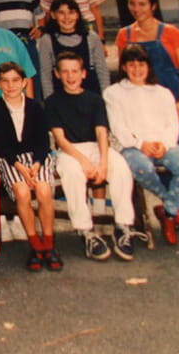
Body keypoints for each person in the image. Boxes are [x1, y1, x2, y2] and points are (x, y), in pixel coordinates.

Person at [115, 0, 179, 229]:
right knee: (150, 157)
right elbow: (124, 72)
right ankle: (173, 208)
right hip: (141, 103)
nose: (137, 9)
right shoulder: (124, 35)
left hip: (172, 100)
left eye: (142, 4)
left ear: (153, 6)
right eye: (132, 4)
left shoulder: (171, 33)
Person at [44, 52, 142, 262]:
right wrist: (85, 162)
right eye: (65, 72)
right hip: (70, 151)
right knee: (72, 173)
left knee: (121, 168)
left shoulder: (95, 99)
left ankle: (123, 226)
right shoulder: (52, 102)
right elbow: (60, 139)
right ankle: (86, 231)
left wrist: (104, 163)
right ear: (57, 74)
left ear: (83, 73)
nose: (70, 76)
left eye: (75, 71)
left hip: (96, 147)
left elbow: (101, 133)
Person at [104, 44, 179, 245]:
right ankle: (172, 207)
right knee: (142, 168)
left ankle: (168, 213)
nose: (137, 69)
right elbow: (118, 127)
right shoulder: (113, 93)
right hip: (131, 146)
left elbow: (172, 125)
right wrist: (140, 143)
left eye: (141, 64)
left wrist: (165, 144)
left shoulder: (162, 93)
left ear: (148, 67)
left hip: (161, 143)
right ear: (124, 67)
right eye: (131, 65)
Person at [0, 62, 62, 272]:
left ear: (24, 82)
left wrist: (36, 165)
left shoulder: (35, 107)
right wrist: (21, 168)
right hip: (10, 159)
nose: (10, 85)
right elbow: (2, 145)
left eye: (15, 80)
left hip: (37, 157)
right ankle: (35, 245)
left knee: (44, 190)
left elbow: (43, 142)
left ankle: (49, 243)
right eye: (5, 81)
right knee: (22, 192)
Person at [39, 0, 109, 98]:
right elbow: (45, 75)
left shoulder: (91, 37)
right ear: (53, 15)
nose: (67, 17)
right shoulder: (47, 40)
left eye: (71, 12)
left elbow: (102, 71)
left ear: (77, 15)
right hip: (61, 98)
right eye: (61, 13)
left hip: (91, 96)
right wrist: (50, 102)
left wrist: (106, 99)